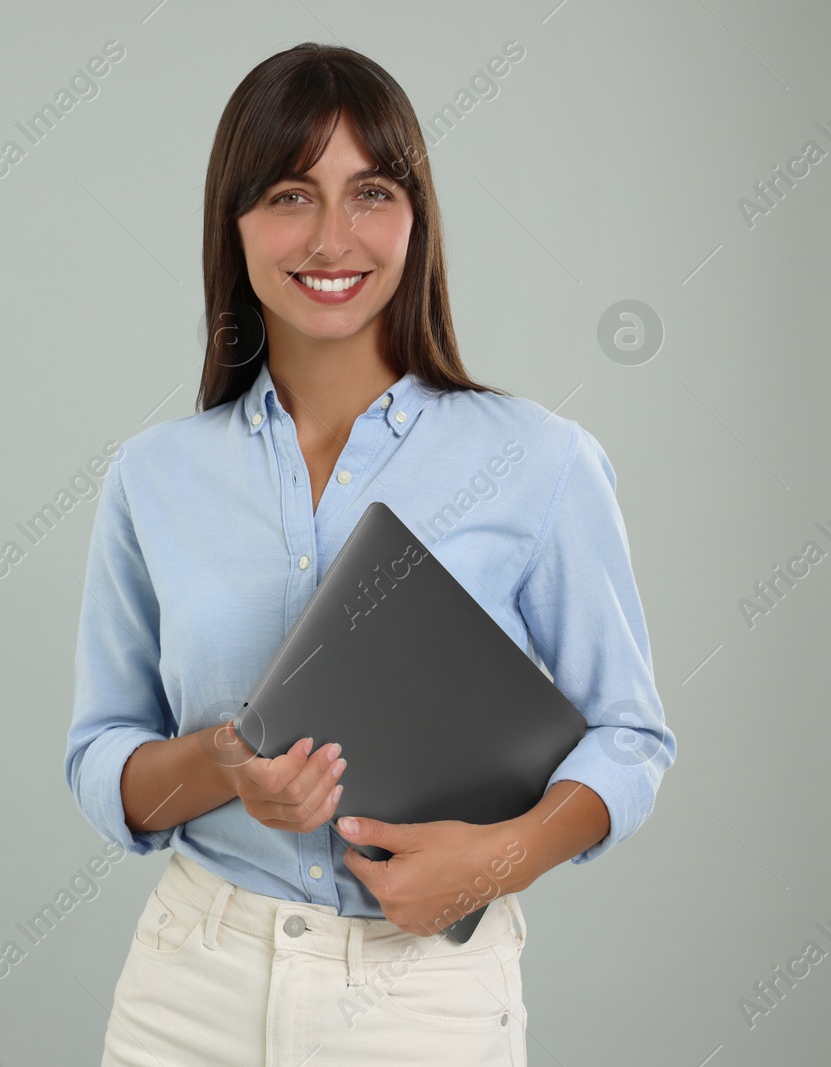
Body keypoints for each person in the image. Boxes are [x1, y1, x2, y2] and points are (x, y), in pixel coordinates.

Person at [64, 42, 676, 1066]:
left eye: (372, 191)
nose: (333, 237)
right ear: (236, 222)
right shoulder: (150, 476)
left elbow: (631, 735)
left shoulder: (540, 460)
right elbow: (102, 754)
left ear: (416, 217)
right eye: (291, 194)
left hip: (420, 995)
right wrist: (224, 764)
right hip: (189, 988)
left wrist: (501, 857)